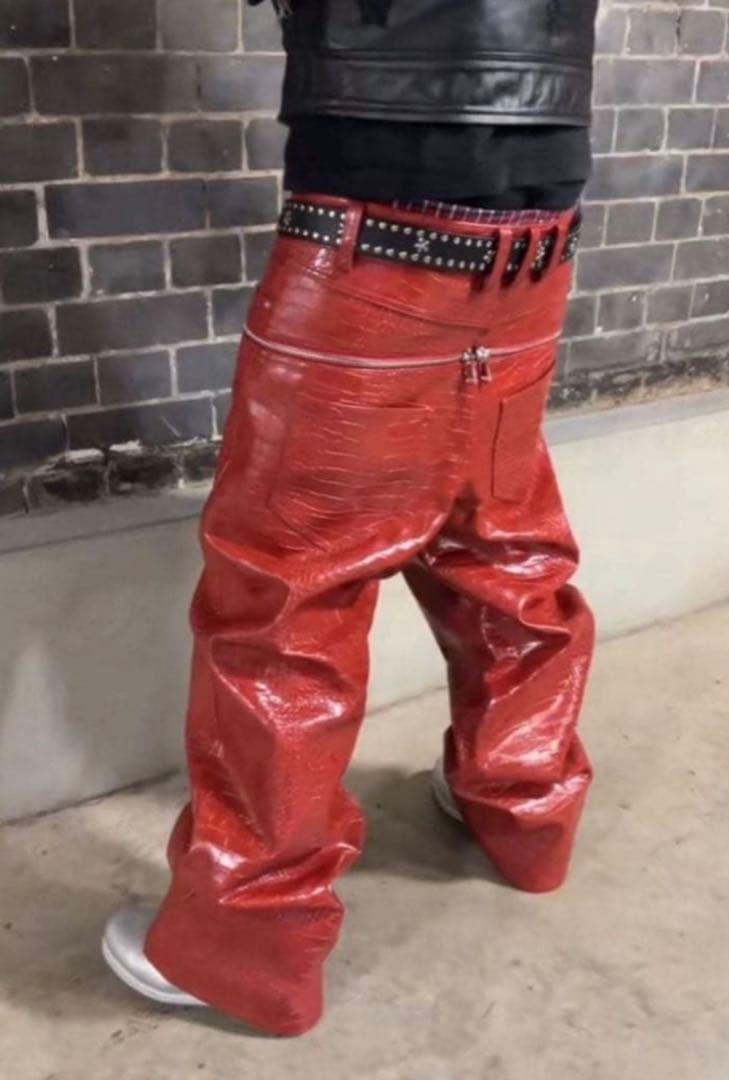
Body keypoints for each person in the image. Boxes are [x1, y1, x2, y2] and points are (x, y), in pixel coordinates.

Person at [102, 0, 599, 1036]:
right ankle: (525, 812)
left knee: (286, 601)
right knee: (499, 542)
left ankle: (244, 944)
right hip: (539, 216)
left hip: (374, 220)